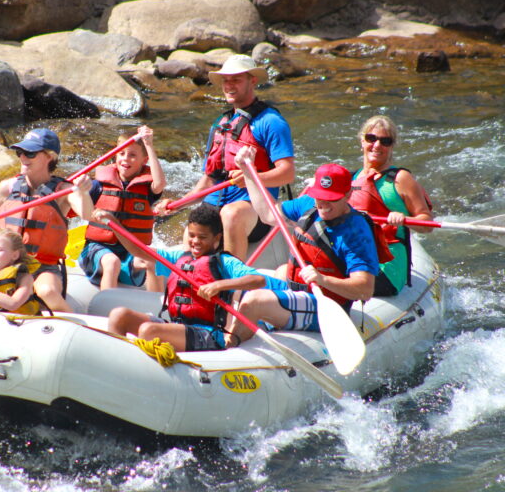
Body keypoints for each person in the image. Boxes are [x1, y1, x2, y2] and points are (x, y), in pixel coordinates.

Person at [155, 54, 295, 262]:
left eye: (236, 79)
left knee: (231, 214)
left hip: (254, 210)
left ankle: (232, 287)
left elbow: (287, 173)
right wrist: (179, 204)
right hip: (216, 204)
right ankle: (191, 280)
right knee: (193, 226)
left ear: (252, 81)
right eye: (226, 81)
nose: (229, 85)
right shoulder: (220, 124)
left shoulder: (271, 122)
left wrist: (251, 177)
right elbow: (209, 179)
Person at [235, 146, 381, 339]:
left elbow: (364, 289)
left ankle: (230, 346)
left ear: (347, 196)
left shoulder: (356, 233)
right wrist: (247, 171)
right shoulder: (309, 204)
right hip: (296, 290)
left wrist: (322, 279)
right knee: (236, 284)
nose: (323, 205)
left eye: (331, 199)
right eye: (320, 197)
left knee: (254, 301)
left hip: (325, 305)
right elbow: (268, 214)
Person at [98, 203, 288, 352]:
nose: (195, 241)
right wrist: (113, 224)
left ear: (216, 239)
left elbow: (258, 281)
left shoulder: (224, 262)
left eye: (202, 237)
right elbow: (138, 249)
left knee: (149, 331)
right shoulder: (178, 258)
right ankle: (118, 367)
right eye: (192, 235)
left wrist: (219, 285)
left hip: (208, 334)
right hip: (176, 326)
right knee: (118, 315)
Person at [0, 128, 93, 313]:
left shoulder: (65, 190)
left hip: (44, 266)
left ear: (49, 156)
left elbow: (86, 214)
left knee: (47, 291)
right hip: (8, 263)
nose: (23, 158)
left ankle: (75, 326)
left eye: (30, 153)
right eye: (20, 153)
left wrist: (82, 193)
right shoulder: (7, 187)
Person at [349, 115, 434, 296]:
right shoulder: (352, 178)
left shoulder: (401, 179)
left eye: (385, 141)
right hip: (356, 258)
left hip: (387, 266)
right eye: (371, 138)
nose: (377, 145)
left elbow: (427, 224)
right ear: (362, 141)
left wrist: (405, 220)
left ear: (392, 146)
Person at [80, 126, 166, 291]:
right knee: (112, 262)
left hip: (130, 251)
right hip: (98, 249)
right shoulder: (98, 185)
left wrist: (148, 144)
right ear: (115, 156)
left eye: (133, 155)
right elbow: (80, 211)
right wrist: (81, 193)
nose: (126, 159)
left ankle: (157, 309)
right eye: (121, 153)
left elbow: (160, 184)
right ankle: (106, 306)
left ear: (144, 160)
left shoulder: (147, 187)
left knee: (153, 261)